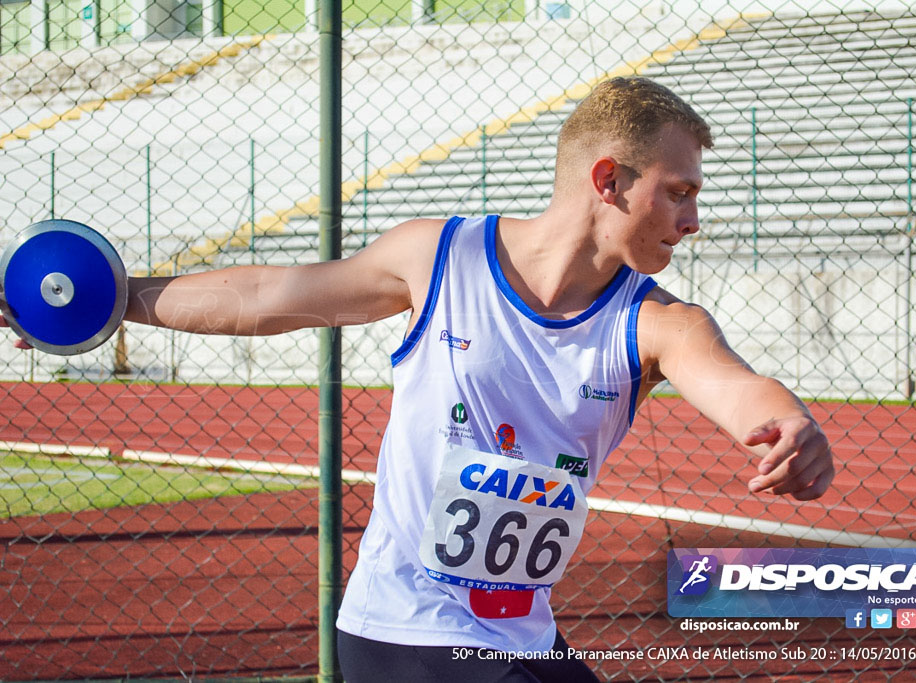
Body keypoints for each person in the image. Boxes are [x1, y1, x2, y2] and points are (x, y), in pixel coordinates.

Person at [1, 77, 833, 681]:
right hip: (406, 627)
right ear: (607, 180)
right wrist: (120, 302)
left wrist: (790, 424)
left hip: (518, 633)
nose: (693, 219)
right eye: (677, 192)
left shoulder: (658, 321)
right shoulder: (440, 256)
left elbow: (734, 384)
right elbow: (271, 295)